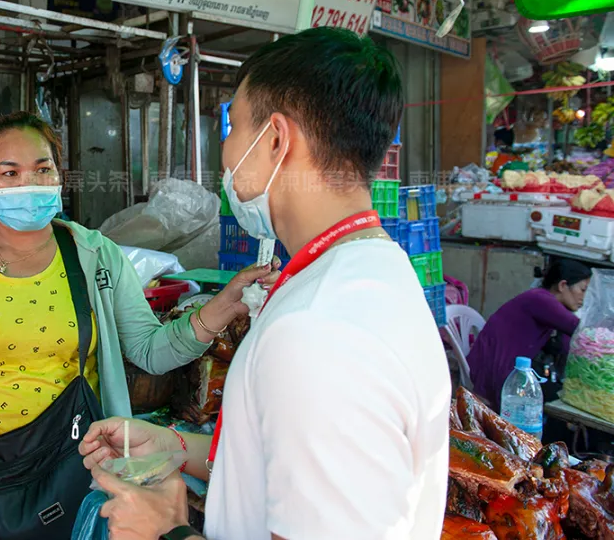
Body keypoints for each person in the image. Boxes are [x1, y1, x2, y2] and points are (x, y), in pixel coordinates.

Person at [79, 27, 451, 540]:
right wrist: (178, 447)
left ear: (276, 139)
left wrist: (168, 530)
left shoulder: (317, 332)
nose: (226, 153)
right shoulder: (376, 272)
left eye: (231, 125)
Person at [0, 111, 275, 540]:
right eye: (10, 172)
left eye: (43, 169)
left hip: (82, 478)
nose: (30, 183)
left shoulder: (94, 255)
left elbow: (151, 350)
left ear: (60, 177)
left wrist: (223, 307)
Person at [468, 257, 590, 410]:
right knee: (560, 402)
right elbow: (579, 330)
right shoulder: (540, 300)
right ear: (562, 285)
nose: (583, 298)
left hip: (507, 369)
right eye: (582, 290)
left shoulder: (542, 300)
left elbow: (567, 345)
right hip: (498, 372)